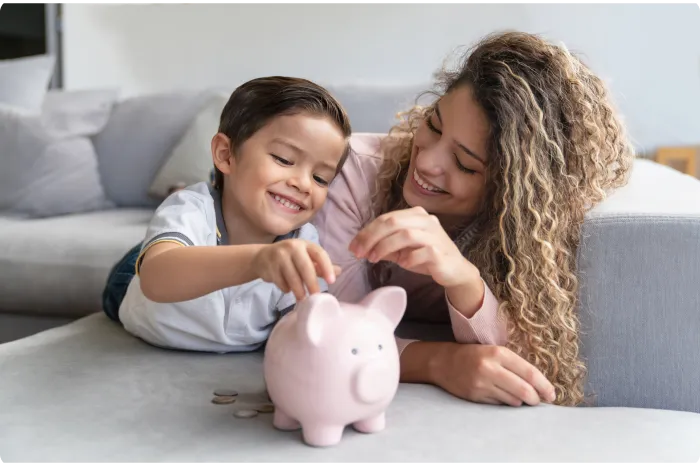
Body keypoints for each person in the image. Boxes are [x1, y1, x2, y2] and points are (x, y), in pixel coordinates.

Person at [311, 31, 634, 408]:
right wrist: (440, 362)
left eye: (464, 164)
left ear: (509, 189)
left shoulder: (530, 230)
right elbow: (332, 333)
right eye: (433, 125)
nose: (428, 162)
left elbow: (535, 360)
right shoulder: (351, 175)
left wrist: (464, 278)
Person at [102, 76, 352, 353]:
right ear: (225, 154)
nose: (303, 184)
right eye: (283, 159)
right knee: (148, 257)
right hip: (138, 284)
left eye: (320, 178)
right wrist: (257, 261)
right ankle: (161, 234)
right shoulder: (191, 209)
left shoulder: (303, 243)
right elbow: (155, 278)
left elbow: (305, 332)